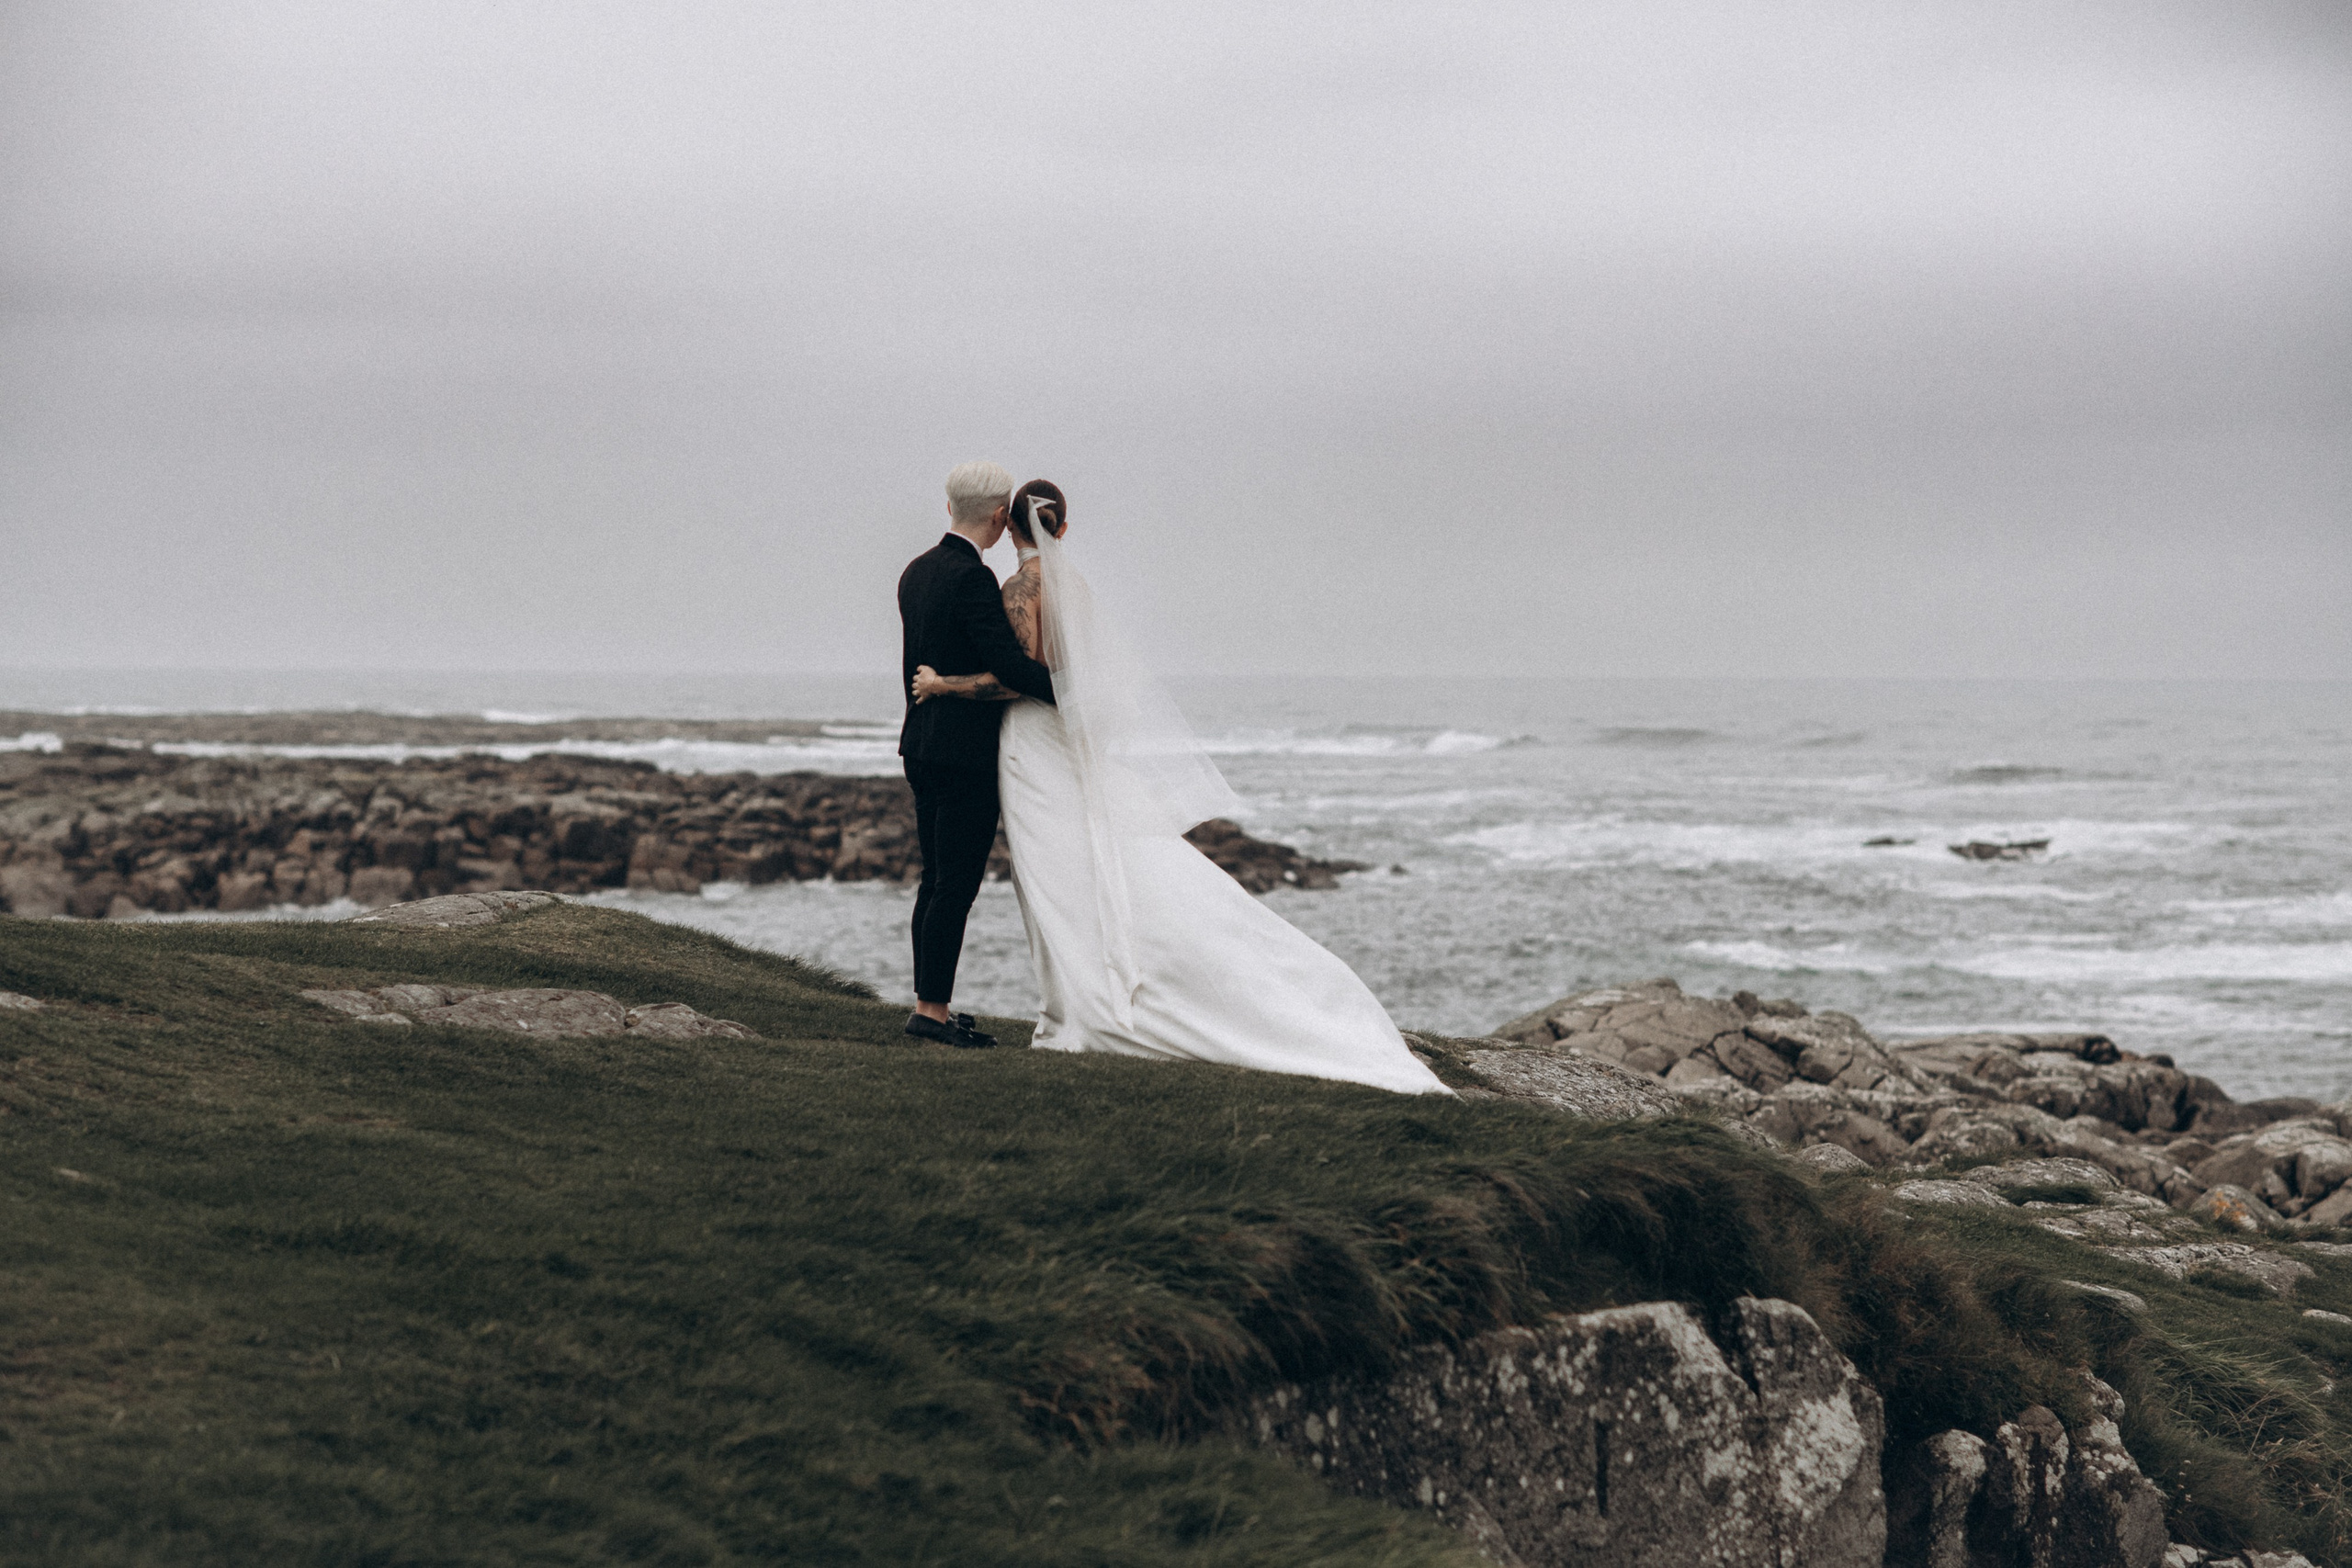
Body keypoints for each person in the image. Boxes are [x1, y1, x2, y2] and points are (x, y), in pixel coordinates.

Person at [911, 479, 1450, 1095]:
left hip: (1033, 745)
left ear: (1011, 527)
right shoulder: (1075, 588)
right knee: (1087, 866)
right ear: (1063, 529)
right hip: (1066, 743)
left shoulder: (1020, 589)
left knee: (1056, 878)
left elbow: (1017, 680)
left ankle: (1082, 1002)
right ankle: (1081, 993)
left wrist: (945, 685)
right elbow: (1076, 675)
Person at [895, 461, 1058, 1049]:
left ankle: (926, 1005)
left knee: (933, 880)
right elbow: (1012, 668)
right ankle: (932, 1013)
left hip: (920, 745)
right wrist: (1070, 695)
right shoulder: (973, 579)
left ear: (949, 508)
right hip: (964, 755)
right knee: (954, 887)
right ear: (997, 515)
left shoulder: (915, 572)